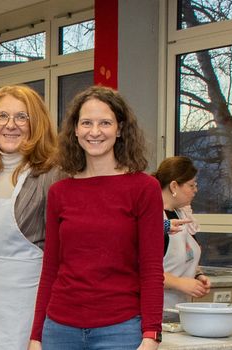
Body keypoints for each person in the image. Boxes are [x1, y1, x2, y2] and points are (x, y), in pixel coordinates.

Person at [30, 86, 163, 350]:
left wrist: (151, 334)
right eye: (86, 123)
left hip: (121, 330)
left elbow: (151, 269)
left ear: (120, 128)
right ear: (75, 130)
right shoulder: (60, 192)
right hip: (59, 329)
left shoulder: (144, 188)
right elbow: (51, 268)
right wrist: (36, 335)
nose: (95, 132)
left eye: (105, 123)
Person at [0, 85, 62, 350]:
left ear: (36, 123)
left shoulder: (52, 176)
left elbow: (60, 254)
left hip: (24, 308)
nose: (10, 125)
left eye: (21, 117)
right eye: (2, 116)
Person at [152, 156, 211, 310]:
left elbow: (185, 256)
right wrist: (179, 283)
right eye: (191, 185)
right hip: (155, 308)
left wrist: (197, 275)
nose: (195, 190)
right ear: (174, 186)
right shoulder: (152, 217)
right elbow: (140, 270)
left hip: (179, 308)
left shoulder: (182, 215)